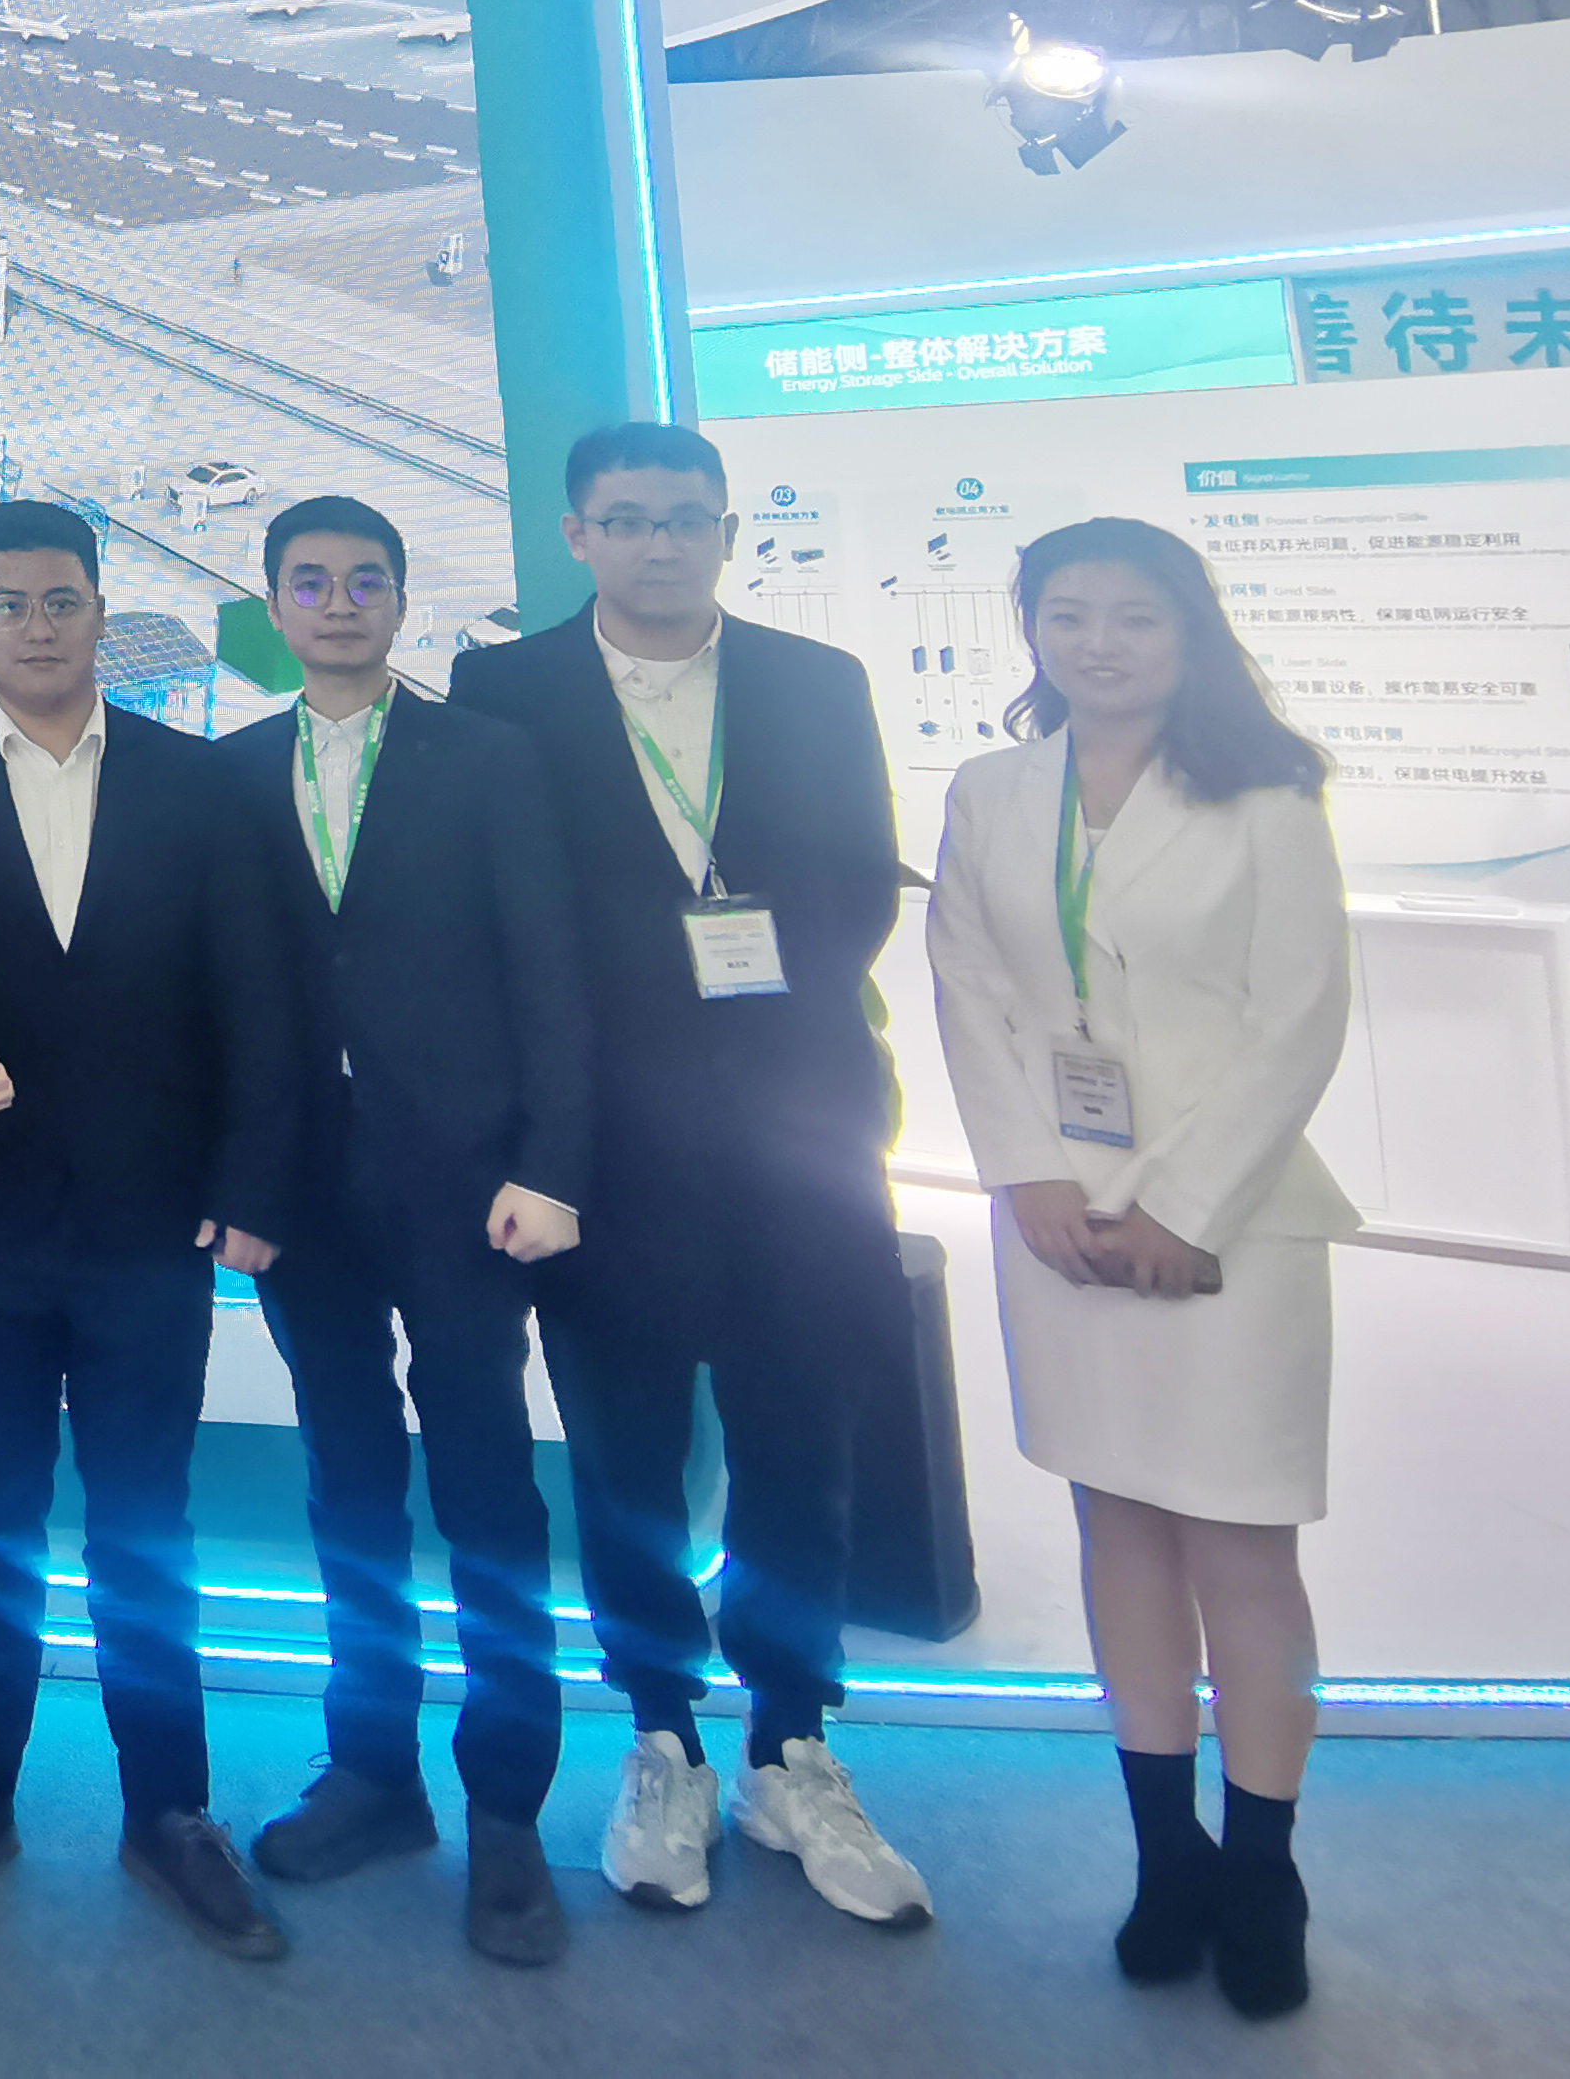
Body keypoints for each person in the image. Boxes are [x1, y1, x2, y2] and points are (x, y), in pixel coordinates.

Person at [450, 422, 927, 1931]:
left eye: (685, 518)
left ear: (727, 531)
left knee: (800, 1438)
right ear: (577, 535)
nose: (658, 543)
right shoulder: (505, 689)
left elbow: (858, 889)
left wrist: (747, 1013)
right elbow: (504, 916)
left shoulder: (817, 681)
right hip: (606, 1140)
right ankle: (662, 1736)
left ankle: (792, 1743)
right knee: (626, 1451)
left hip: (798, 1131)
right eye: (627, 518)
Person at [0, 499, 298, 1958]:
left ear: (100, 609)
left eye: (61, 601)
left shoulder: (195, 780)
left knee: (144, 1526)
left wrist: (252, 1185)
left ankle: (170, 1809)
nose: (36, 627)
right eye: (10, 604)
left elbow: (255, 992)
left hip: (147, 1229)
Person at [927, 518, 1354, 2022]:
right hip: (1056, 1225)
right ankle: (1167, 1856)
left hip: (1229, 1229)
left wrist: (1183, 1205)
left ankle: (1265, 1867)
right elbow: (968, 989)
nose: (1097, 643)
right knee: (1116, 1527)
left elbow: (1300, 1016)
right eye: (1068, 614)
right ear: (1032, 628)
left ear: (1190, 631)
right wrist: (1027, 1173)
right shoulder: (991, 792)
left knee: (1241, 1550)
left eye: (1135, 617)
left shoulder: (1269, 793)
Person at [217, 497, 590, 1966]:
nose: (338, 602)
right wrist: (232, 1181)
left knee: (489, 1490)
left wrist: (552, 1165)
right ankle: (374, 1770)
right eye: (309, 582)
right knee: (348, 1482)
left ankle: (507, 1812)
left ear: (399, 598)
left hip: (466, 1185)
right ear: (272, 605)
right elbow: (212, 995)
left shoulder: (487, 758)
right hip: (305, 1194)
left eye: (364, 579)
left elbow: (551, 975)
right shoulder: (231, 772)